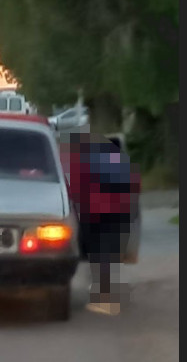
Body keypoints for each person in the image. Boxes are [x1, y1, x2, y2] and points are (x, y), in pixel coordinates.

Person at [61, 133, 137, 316]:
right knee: (104, 260)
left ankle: (102, 295)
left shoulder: (90, 168)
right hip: (112, 221)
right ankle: (104, 294)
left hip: (94, 221)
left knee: (97, 260)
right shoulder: (123, 169)